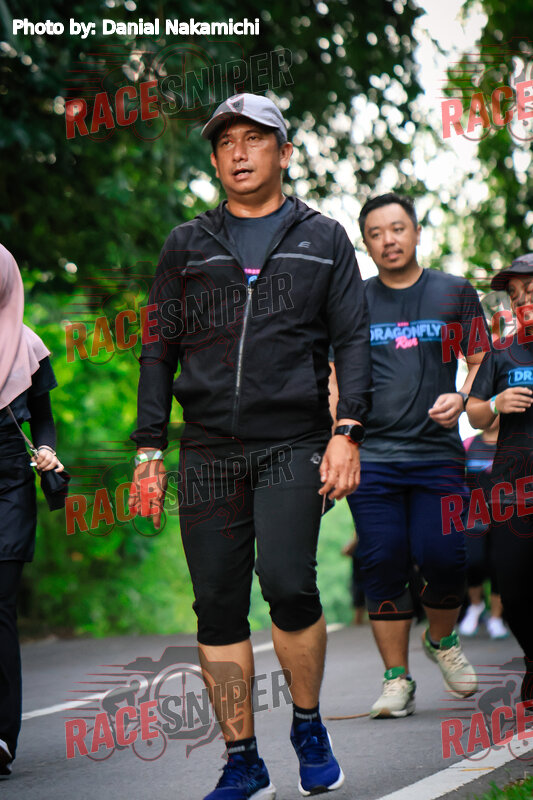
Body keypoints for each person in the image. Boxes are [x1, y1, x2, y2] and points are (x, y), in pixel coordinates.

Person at [129, 93, 370, 799]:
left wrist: (347, 431)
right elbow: (157, 349)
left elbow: (353, 341)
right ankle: (243, 760)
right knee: (217, 604)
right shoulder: (186, 243)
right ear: (214, 160)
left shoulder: (324, 238)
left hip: (293, 438)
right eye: (226, 142)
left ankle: (307, 725)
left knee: (289, 583)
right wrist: (148, 451)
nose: (239, 152)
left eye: (255, 138)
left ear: (284, 152)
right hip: (206, 448)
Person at [330, 192, 483, 719]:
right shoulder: (353, 299)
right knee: (383, 562)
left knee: (446, 557)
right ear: (366, 243)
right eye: (375, 233)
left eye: (397, 229)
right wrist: (339, 438)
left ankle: (441, 640)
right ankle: (396, 679)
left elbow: (480, 358)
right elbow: (334, 374)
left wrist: (463, 397)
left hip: (438, 455)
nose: (388, 240)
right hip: (372, 458)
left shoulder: (453, 292)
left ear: (416, 232)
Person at [0, 244, 64, 775]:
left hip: (8, 480)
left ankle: (2, 736)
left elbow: (42, 417)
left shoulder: (28, 345)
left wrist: (45, 448)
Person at [467, 252, 533, 706]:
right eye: (513, 293)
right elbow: (473, 412)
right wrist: (496, 404)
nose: (521, 298)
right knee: (513, 590)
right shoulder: (501, 353)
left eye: (529, 289)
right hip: (512, 491)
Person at [459, 418, 509, 639]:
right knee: (473, 560)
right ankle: (476, 606)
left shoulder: (514, 444)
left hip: (507, 515)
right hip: (474, 515)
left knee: (501, 565)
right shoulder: (468, 444)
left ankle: (496, 618)